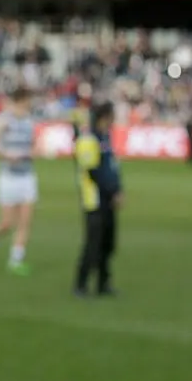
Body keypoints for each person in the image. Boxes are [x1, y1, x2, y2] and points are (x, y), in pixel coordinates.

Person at [0, 87, 39, 276]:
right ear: (22, 99)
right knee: (6, 223)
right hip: (8, 177)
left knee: (25, 221)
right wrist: (6, 155)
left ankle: (16, 260)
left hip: (27, 176)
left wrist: (32, 153)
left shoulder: (30, 121)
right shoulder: (5, 120)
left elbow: (35, 145)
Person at [73, 102, 123, 297]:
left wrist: (118, 189)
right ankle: (80, 284)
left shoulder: (105, 138)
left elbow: (111, 168)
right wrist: (112, 191)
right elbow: (92, 171)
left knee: (107, 243)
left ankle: (103, 283)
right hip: (94, 199)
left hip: (108, 198)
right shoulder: (88, 140)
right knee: (92, 244)